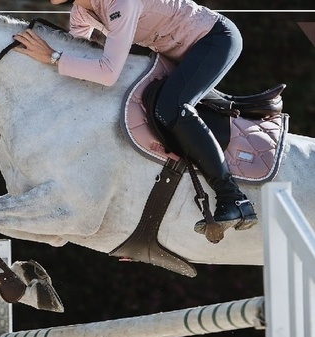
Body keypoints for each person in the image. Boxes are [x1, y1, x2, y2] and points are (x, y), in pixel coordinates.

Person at [13, 0, 258, 234]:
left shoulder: (122, 3)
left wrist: (52, 57)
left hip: (214, 40)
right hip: (180, 52)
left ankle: (233, 198)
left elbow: (107, 73)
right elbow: (80, 58)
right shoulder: (81, 12)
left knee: (171, 108)